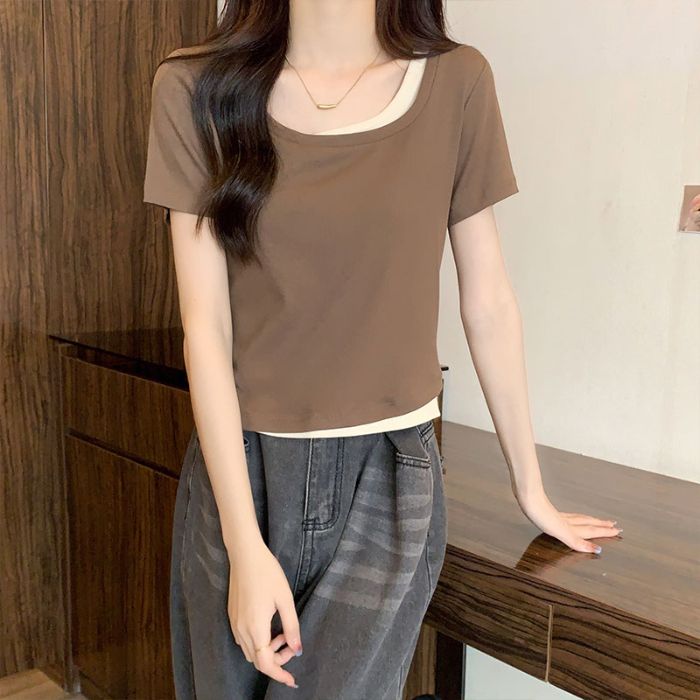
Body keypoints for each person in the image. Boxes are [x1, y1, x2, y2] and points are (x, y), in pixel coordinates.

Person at [142, 1, 622, 698]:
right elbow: (206, 327)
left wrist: (531, 485)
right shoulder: (194, 88)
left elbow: (489, 301)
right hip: (241, 472)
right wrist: (244, 545)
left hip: (390, 473)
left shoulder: (457, 83)